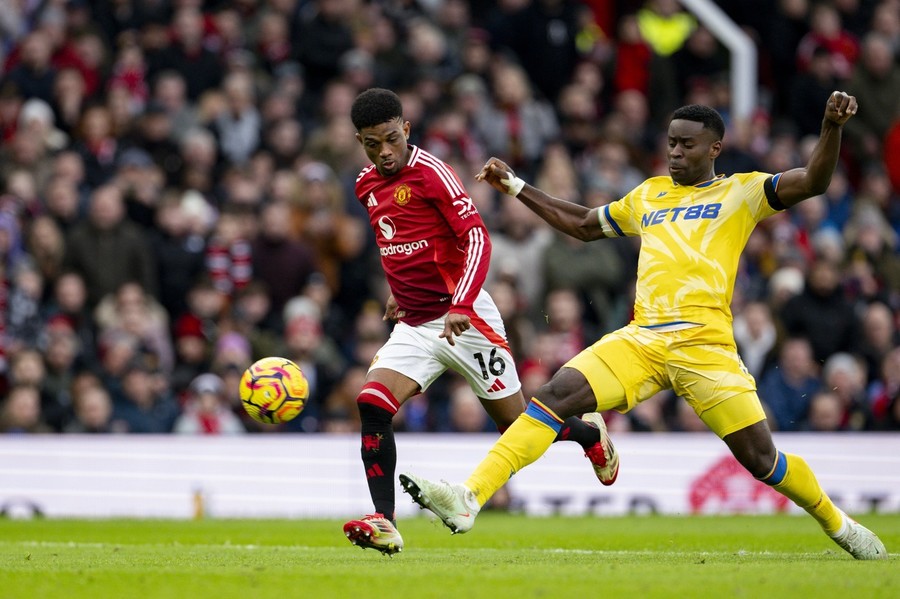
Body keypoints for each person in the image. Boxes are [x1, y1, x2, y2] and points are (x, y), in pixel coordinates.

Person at [400, 91, 888, 560]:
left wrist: (830, 128)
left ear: (715, 148)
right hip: (643, 339)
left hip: (706, 346)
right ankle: (469, 496)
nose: (675, 152)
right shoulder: (649, 193)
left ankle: (837, 524)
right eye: (671, 142)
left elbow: (814, 181)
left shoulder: (742, 191)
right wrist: (517, 187)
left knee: (761, 462)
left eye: (686, 144)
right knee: (554, 395)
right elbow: (586, 225)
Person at [342, 88, 613, 556]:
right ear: (360, 141)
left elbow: (477, 240)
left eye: (390, 138)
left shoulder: (432, 173)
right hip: (416, 324)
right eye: (371, 143)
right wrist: (398, 290)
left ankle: (589, 433)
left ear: (406, 129)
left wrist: (462, 305)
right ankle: (383, 521)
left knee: (517, 426)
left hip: (465, 319)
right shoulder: (365, 183)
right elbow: (402, 242)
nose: (384, 152)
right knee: (371, 403)